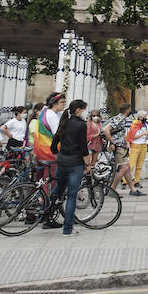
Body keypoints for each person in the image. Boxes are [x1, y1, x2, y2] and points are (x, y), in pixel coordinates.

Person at [45, 98, 93, 235]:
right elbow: (83, 148)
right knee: (71, 196)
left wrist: (58, 156)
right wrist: (88, 164)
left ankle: (46, 212)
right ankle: (67, 229)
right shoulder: (81, 125)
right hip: (75, 164)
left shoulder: (64, 121)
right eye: (83, 109)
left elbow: (54, 144)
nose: (84, 112)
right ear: (78, 110)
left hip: (62, 162)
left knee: (58, 189)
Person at [105, 103, 134, 195]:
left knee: (127, 167)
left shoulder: (122, 119)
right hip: (118, 147)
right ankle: (112, 190)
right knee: (124, 167)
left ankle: (132, 189)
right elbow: (106, 129)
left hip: (120, 146)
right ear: (127, 110)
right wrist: (112, 142)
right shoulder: (120, 118)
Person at [126, 111, 148, 195]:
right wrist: (143, 133)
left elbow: (147, 135)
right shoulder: (135, 124)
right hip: (135, 145)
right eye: (145, 116)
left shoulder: (145, 125)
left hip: (143, 145)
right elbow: (132, 136)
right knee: (131, 165)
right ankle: (125, 181)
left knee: (139, 165)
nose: (146, 118)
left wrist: (147, 135)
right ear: (140, 117)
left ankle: (136, 180)